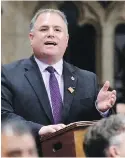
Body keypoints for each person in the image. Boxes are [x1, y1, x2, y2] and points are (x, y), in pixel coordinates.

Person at [2, 8, 116, 144]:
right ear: (31, 38)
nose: (51, 34)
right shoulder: (9, 74)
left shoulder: (87, 79)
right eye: (44, 29)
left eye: (57, 30)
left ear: (66, 40)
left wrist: (101, 110)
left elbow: (103, 132)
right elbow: (3, 116)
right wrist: (38, 130)